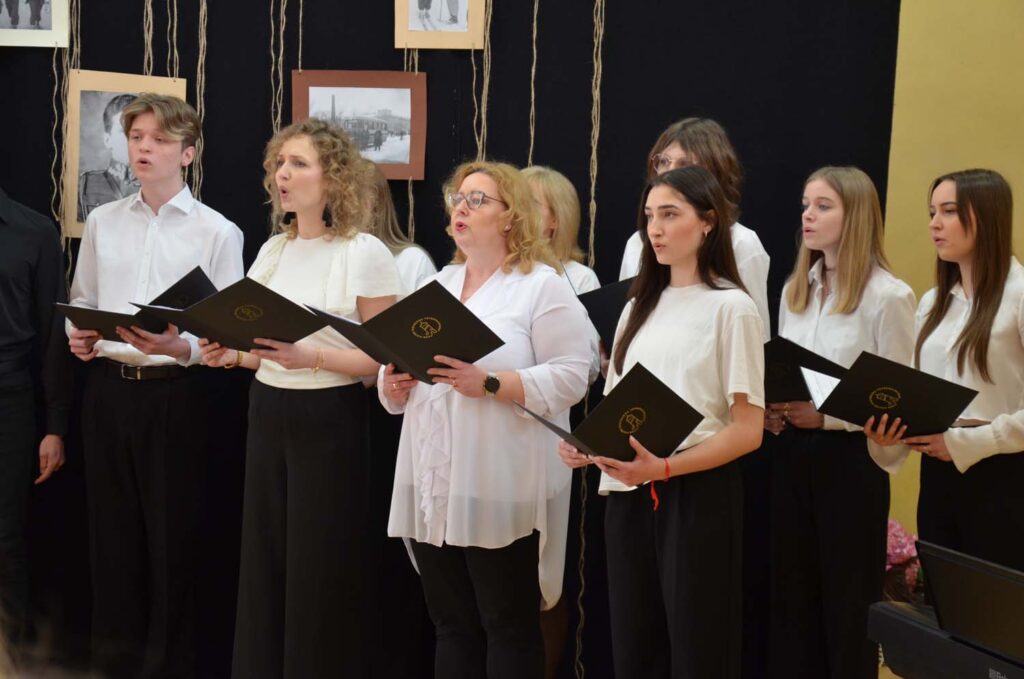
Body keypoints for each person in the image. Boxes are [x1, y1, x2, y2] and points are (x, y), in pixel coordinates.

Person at [199, 118, 401, 679]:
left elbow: (385, 361)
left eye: (298, 164)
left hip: (329, 420)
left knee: (319, 566)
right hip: (268, 412)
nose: (282, 175)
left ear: (332, 178)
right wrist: (230, 354)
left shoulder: (363, 251)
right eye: (278, 164)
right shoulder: (272, 250)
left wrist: (311, 357)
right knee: (265, 559)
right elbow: (263, 351)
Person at [379, 160, 591, 679]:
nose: (462, 207)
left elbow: (573, 375)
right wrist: (394, 382)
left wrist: (491, 383)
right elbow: (401, 372)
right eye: (458, 198)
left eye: (478, 200)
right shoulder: (440, 282)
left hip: (500, 478)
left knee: (507, 624)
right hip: (434, 476)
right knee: (451, 624)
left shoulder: (540, 285)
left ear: (511, 216)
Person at [558, 166, 765, 678]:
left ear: (708, 222)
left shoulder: (732, 308)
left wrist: (666, 469)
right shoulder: (636, 306)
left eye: (670, 214)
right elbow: (617, 407)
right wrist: (588, 446)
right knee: (635, 648)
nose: (656, 228)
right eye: (650, 216)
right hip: (629, 494)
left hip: (696, 494)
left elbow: (748, 430)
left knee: (698, 649)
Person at [66, 93, 244, 679]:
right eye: (136, 137)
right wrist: (78, 335)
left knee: (174, 547)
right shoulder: (103, 220)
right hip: (108, 392)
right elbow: (84, 299)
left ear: (187, 153)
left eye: (159, 140)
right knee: (110, 544)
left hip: (178, 395)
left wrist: (181, 347)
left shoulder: (218, 231)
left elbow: (228, 336)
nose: (143, 147)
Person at [765, 166, 915, 679]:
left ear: (856, 216)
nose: (808, 215)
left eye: (823, 206)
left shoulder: (889, 296)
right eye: (806, 204)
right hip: (791, 455)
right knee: (792, 600)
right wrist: (776, 409)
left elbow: (896, 399)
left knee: (848, 606)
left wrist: (827, 417)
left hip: (850, 463)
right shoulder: (795, 290)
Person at [865, 169, 1024, 571]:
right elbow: (916, 398)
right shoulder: (933, 302)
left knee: (992, 604)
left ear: (986, 216)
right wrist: (886, 436)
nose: (934, 223)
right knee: (941, 600)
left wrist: (967, 442)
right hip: (938, 477)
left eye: (949, 211)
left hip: (1003, 476)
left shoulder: (1019, 295)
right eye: (932, 212)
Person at [357, 159, 438, 679]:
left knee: (393, 552)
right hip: (335, 410)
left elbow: (423, 346)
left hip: (390, 416)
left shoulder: (409, 261)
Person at [618, 117, 770, 338]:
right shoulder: (638, 242)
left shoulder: (740, 242)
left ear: (715, 172)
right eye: (664, 161)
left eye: (684, 163)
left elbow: (756, 334)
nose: (669, 171)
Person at [0, 186, 71, 652]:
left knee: (4, 541)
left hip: (9, 399)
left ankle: (11, 661)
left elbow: (53, 335)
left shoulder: (34, 231)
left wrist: (55, 425)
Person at [521, 165, 599, 295]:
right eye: (515, 202)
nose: (518, 211)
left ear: (555, 219)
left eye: (530, 204)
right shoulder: (497, 268)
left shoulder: (581, 279)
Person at [78, 93, 141, 221]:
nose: (132, 139)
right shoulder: (84, 185)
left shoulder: (157, 187)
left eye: (138, 134)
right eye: (123, 131)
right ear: (107, 139)